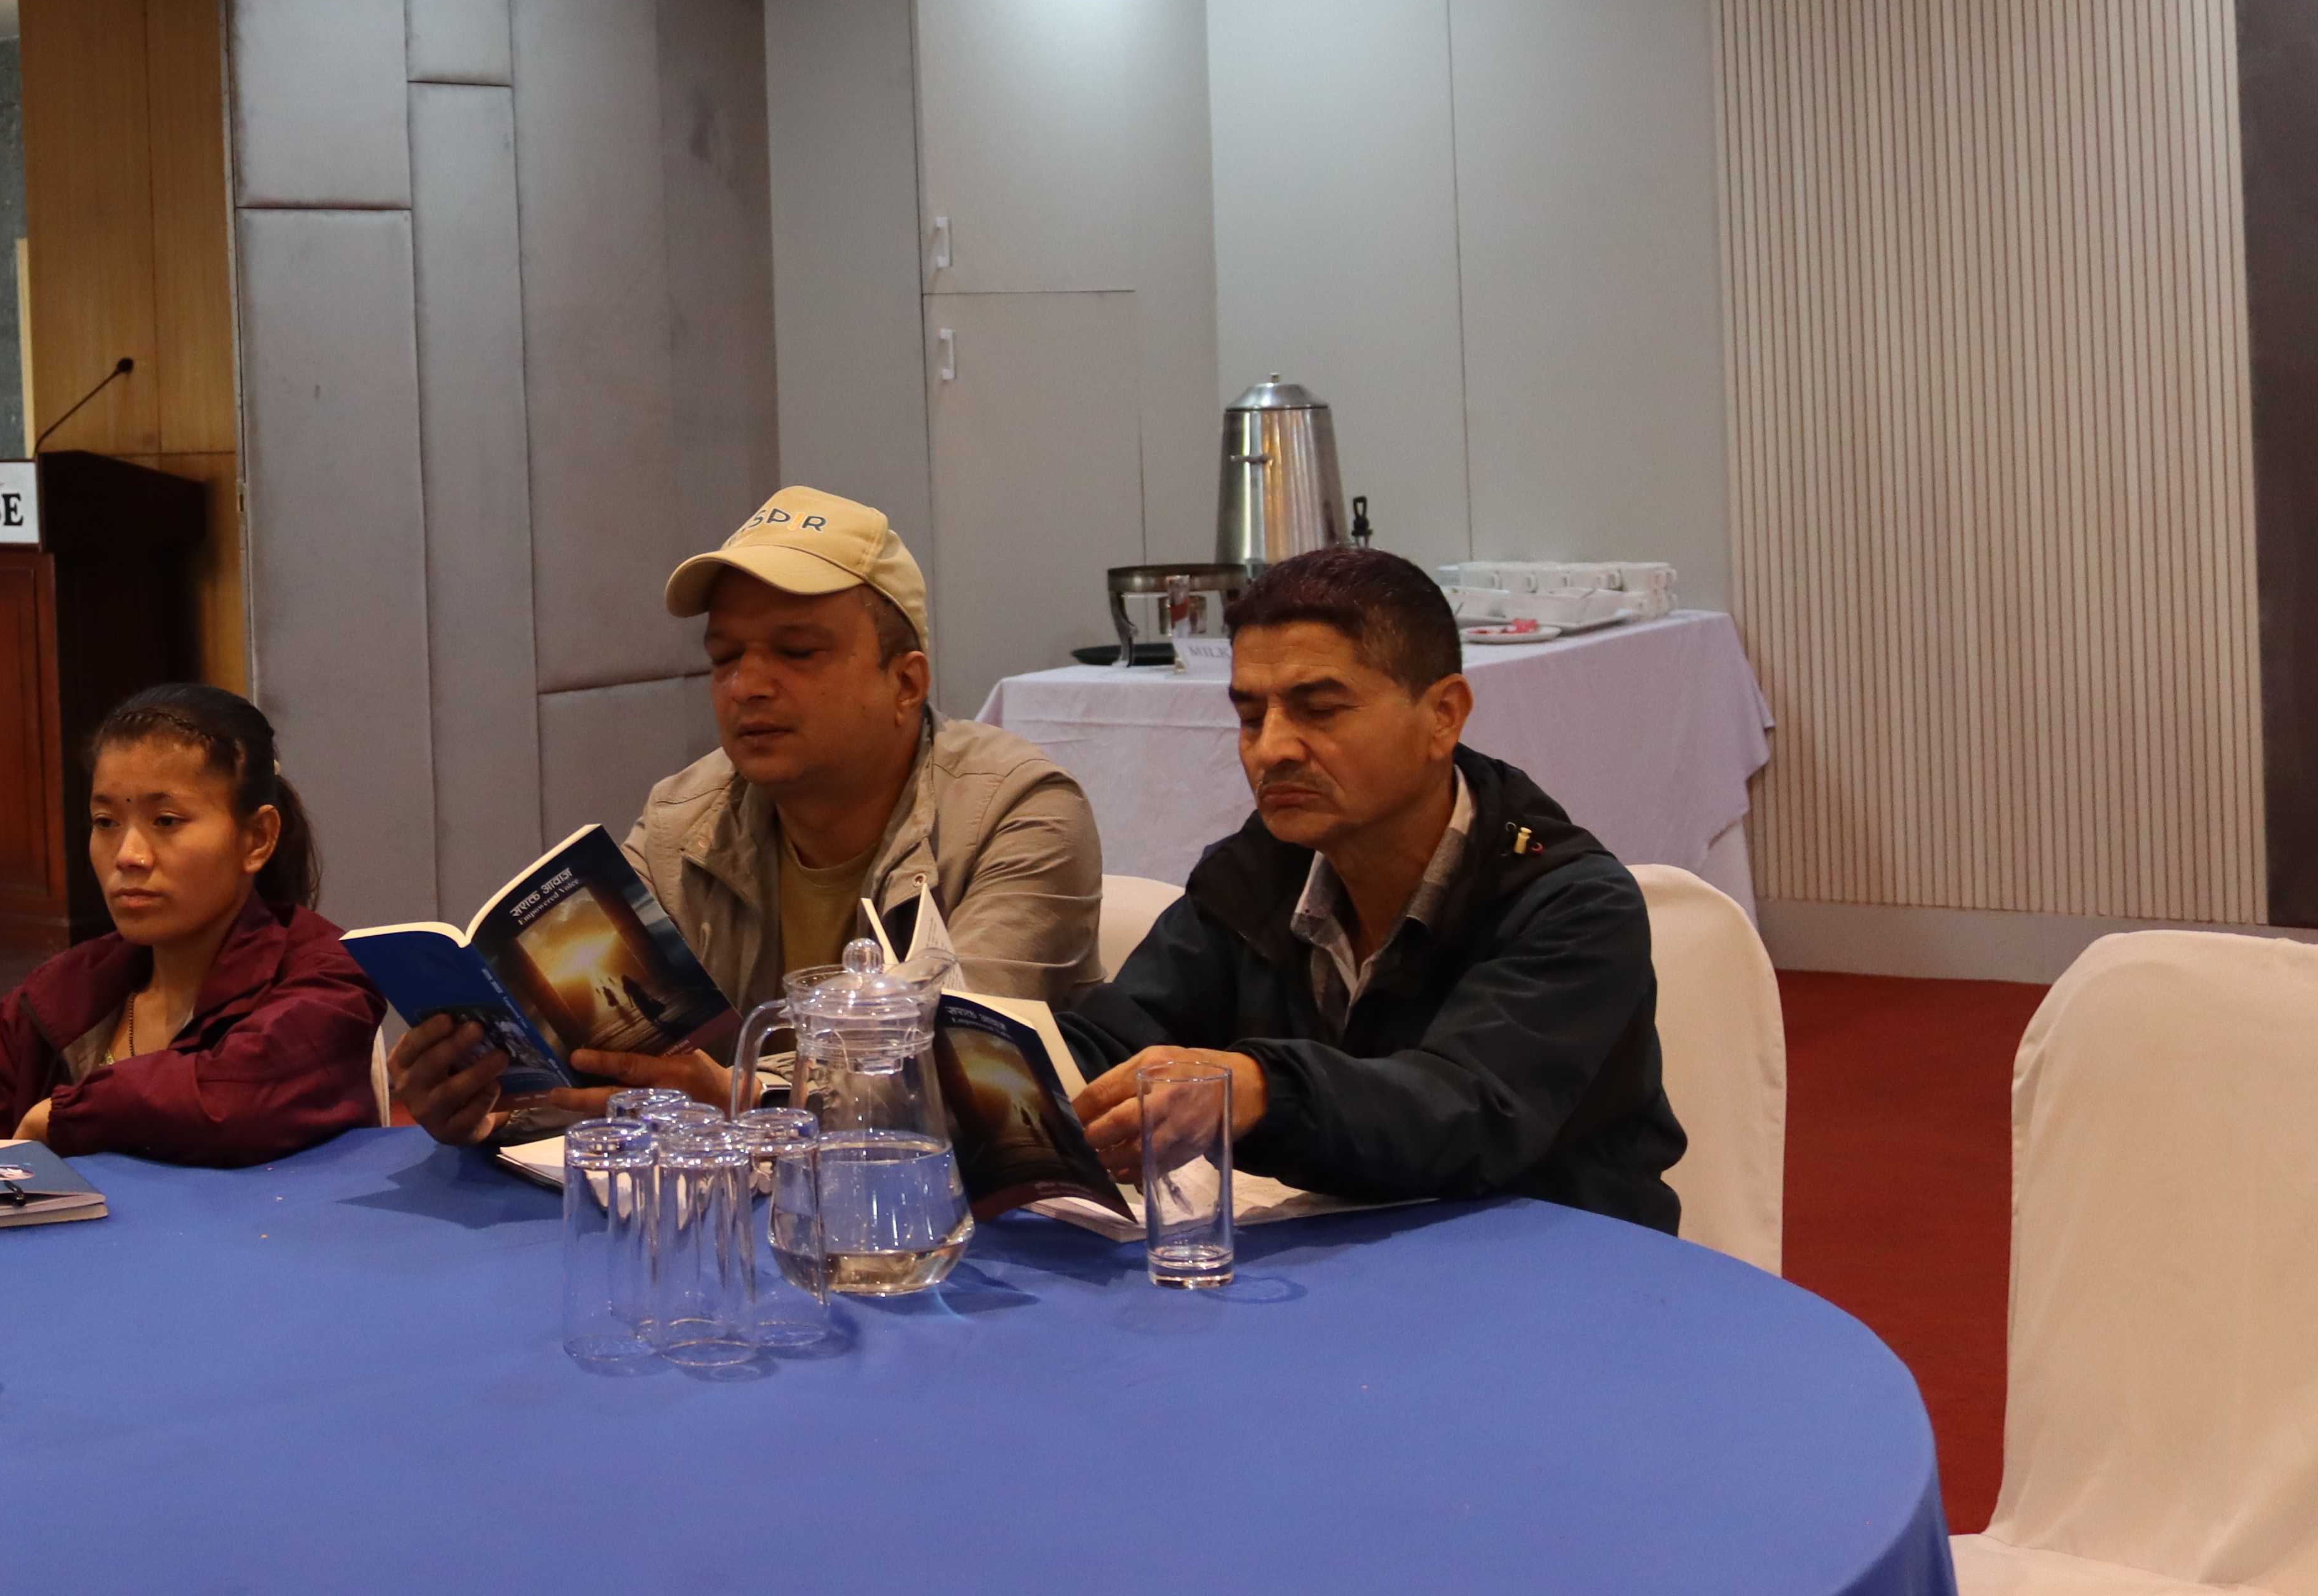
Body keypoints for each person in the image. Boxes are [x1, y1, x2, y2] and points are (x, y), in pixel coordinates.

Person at [393, 485, 1100, 1143]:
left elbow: (953, 1081)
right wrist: (491, 1097)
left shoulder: (1016, 811)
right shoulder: (682, 820)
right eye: (725, 657)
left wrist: (749, 1101)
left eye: (797, 652)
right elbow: (607, 1066)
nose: (747, 686)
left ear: (906, 682)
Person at [1062, 547, 1687, 1231]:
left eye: (1321, 711)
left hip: (1553, 1260)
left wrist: (1262, 1090)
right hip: (1343, 1251)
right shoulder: (1258, 871)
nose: (1272, 749)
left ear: (1444, 714)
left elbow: (1464, 1111)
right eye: (1251, 717)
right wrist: (1009, 1071)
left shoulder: (1572, 902)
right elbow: (1118, 1039)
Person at [0, 682, 383, 1165]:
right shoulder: (53, 998)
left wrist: (62, 1117)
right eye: (106, 822)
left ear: (257, 838)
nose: (128, 856)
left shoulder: (327, 975)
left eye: (167, 821)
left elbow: (232, 1100)